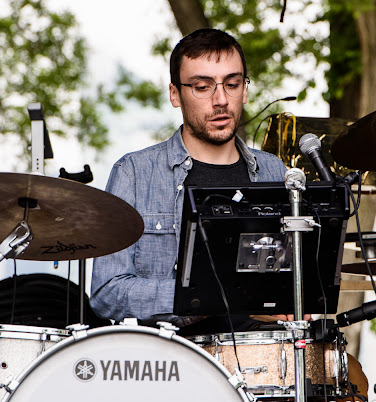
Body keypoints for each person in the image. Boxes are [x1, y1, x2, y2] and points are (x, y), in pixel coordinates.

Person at [90, 28, 287, 330]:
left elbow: (291, 280)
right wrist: (204, 297)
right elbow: (108, 293)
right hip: (171, 366)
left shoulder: (274, 171)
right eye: (202, 87)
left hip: (264, 360)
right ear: (175, 94)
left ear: (245, 90)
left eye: (232, 84)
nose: (221, 100)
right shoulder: (135, 172)